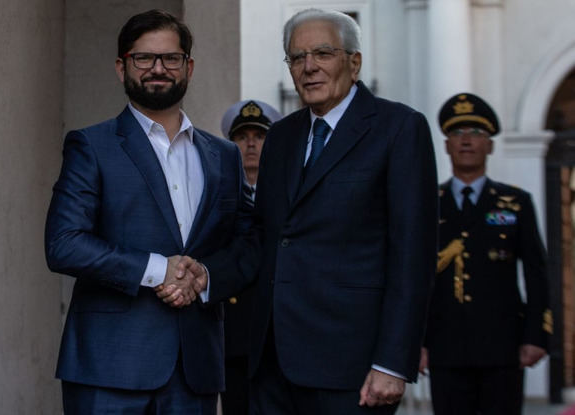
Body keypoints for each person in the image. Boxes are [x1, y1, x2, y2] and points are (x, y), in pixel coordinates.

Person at [44, 9, 254, 414]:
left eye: (170, 58)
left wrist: (205, 276)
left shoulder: (224, 156)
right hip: (109, 368)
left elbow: (248, 243)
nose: (158, 68)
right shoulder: (92, 145)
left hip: (195, 370)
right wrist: (161, 269)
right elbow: (63, 243)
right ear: (122, 67)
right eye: (144, 58)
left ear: (188, 67)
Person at [244, 8, 438, 414]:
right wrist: (203, 274)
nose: (308, 67)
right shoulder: (280, 136)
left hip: (353, 368)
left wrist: (392, 361)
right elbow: (264, 236)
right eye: (297, 57)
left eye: (323, 53)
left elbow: (413, 255)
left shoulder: (399, 128)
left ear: (355, 62)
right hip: (271, 363)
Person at [420, 92, 552, 415]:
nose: (467, 141)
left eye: (477, 134)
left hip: (502, 348)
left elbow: (536, 272)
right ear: (447, 144)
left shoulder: (514, 202)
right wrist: (414, 342)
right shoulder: (427, 204)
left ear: (490, 145)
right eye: (457, 133)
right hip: (444, 347)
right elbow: (414, 278)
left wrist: (537, 335)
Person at [219, 100, 281, 415]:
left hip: (279, 335)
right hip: (236, 333)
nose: (252, 143)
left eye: (260, 135)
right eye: (243, 136)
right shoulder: (218, 199)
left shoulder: (287, 199)